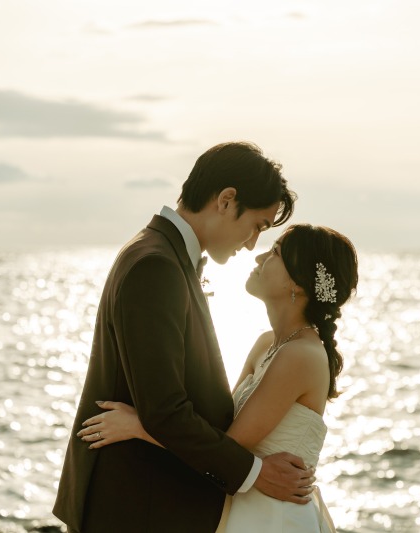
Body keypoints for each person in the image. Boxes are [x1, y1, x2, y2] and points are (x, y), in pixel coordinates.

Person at [53, 142, 313, 533]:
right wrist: (255, 473)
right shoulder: (156, 265)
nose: (251, 244)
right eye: (257, 226)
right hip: (137, 506)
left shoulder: (160, 253)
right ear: (226, 200)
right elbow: (165, 411)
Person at [77, 223, 359, 532]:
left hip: (273, 517)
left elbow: (229, 443)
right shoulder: (268, 343)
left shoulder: (301, 356)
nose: (259, 257)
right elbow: (220, 426)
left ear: (299, 283)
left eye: (275, 252)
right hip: (242, 507)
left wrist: (139, 426)